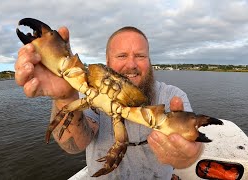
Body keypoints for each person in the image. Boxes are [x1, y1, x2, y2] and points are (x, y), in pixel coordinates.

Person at [15, 25, 203, 179]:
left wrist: (190, 154)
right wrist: (64, 97)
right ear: (107, 61)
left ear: (149, 60)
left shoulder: (170, 97)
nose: (131, 64)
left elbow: (191, 142)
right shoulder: (86, 92)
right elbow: (75, 145)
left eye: (140, 56)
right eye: (121, 56)